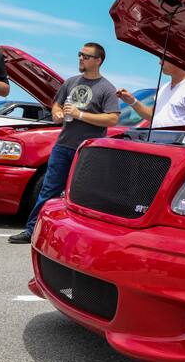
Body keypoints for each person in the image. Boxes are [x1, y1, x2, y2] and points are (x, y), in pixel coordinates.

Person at [9, 43, 119, 244]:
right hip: (63, 146)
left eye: (86, 56)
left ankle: (71, 237)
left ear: (98, 60)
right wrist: (57, 113)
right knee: (48, 190)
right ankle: (32, 230)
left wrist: (80, 114)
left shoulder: (107, 89)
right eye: (79, 54)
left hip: (87, 151)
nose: (80, 59)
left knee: (79, 195)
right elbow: (57, 104)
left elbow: (112, 119)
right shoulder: (71, 82)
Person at [116, 60, 185, 127]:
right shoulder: (164, 87)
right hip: (158, 145)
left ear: (179, 60)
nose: (160, 62)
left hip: (177, 149)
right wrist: (132, 101)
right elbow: (152, 115)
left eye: (164, 58)